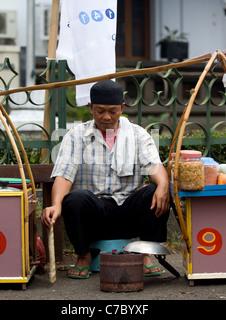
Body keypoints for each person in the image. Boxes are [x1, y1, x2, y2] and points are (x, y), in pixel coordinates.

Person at [41, 80, 170, 279]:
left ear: (122, 108)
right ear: (91, 107)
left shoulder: (138, 135)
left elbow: (155, 167)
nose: (107, 117)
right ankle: (83, 257)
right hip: (94, 215)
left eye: (113, 111)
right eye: (100, 111)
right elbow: (64, 175)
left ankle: (145, 255)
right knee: (75, 198)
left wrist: (162, 185)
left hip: (127, 212)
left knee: (157, 190)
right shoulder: (76, 135)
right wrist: (56, 205)